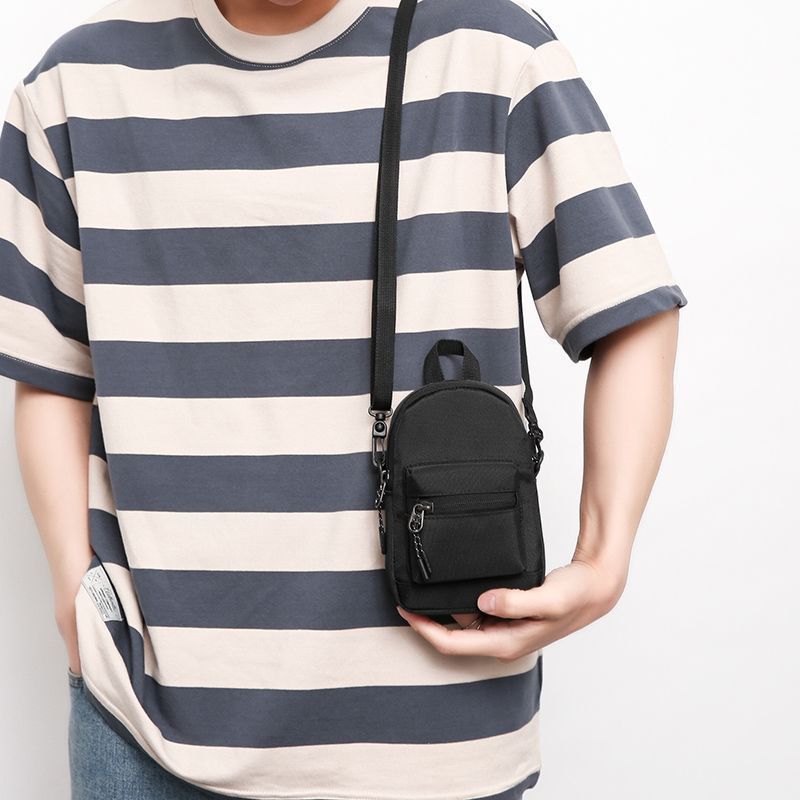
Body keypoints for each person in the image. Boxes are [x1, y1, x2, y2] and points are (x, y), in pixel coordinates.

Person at [0, 0, 687, 798]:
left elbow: (630, 310)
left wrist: (604, 558)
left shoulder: (494, 52)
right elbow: (51, 368)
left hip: (437, 738)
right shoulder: (72, 85)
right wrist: (76, 601)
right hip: (144, 728)